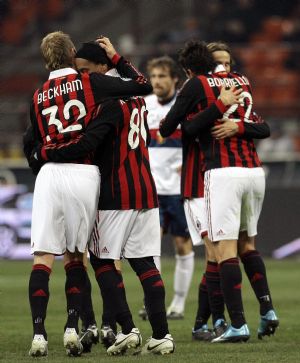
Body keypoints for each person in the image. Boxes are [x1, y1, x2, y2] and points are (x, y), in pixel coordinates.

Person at [29, 41, 175, 356]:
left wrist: (46, 152)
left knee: (100, 260)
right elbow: (142, 84)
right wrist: (118, 58)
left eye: (85, 70)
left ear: (100, 69)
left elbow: (87, 144)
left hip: (115, 192)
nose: (81, 77)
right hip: (146, 191)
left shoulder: (107, 106)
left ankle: (125, 329)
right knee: (145, 263)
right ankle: (161, 335)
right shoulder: (139, 102)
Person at [161, 40, 278, 343]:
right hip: (206, 179)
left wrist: (234, 122)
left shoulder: (221, 88)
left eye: (227, 62)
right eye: (218, 62)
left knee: (220, 253)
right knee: (222, 253)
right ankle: (215, 321)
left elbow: (178, 128)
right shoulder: (213, 87)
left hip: (217, 177)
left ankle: (222, 322)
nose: (223, 68)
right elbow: (182, 127)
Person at [139, 56, 194, 320]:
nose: (157, 81)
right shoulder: (144, 106)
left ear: (175, 79)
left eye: (162, 76)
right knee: (151, 247)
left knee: (183, 245)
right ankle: (154, 302)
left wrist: (190, 163)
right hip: (152, 189)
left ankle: (179, 305)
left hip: (180, 191)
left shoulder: (186, 106)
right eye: (154, 76)